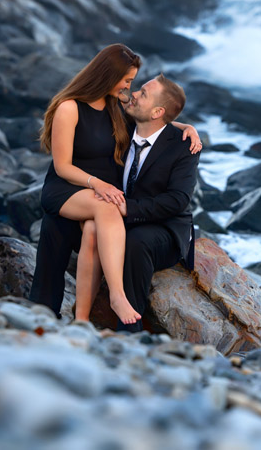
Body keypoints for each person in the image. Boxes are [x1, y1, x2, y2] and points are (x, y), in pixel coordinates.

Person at [31, 44, 200, 325]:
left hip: (98, 192)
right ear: (109, 76)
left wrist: (187, 128)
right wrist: (98, 184)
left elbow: (155, 120)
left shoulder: (115, 107)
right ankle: (116, 296)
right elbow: (61, 166)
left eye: (133, 84)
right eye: (127, 81)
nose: (129, 89)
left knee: (96, 229)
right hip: (67, 187)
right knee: (105, 209)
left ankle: (81, 320)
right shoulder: (69, 108)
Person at [74, 74, 199, 331]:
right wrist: (184, 123)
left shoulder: (184, 148)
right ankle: (76, 319)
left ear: (157, 112)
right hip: (118, 219)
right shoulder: (123, 126)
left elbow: (177, 200)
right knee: (89, 227)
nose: (134, 95)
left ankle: (129, 332)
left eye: (143, 93)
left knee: (136, 241)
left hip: (165, 229)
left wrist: (127, 208)